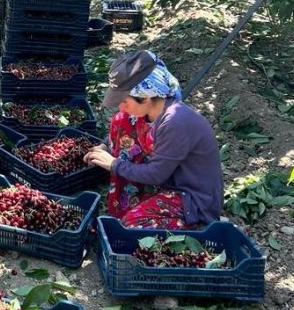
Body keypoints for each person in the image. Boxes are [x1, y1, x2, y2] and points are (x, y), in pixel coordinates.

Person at [83, 50, 223, 229]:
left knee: (132, 225)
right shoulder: (150, 112)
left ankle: (195, 225)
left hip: (190, 199)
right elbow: (124, 129)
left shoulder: (175, 122)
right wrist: (105, 146)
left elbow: (156, 175)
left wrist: (114, 164)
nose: (120, 105)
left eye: (124, 100)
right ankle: (129, 202)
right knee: (122, 120)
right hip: (166, 181)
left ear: (146, 97)